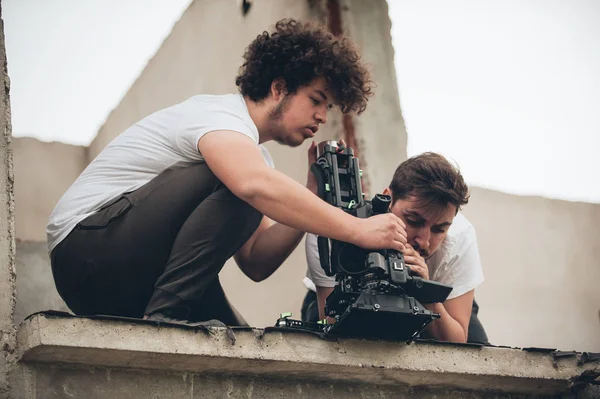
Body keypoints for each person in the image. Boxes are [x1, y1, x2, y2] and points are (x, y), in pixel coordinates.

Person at [47, 19, 409, 327]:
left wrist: (311, 193)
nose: (322, 117)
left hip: (131, 278)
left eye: (328, 107)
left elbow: (255, 260)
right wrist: (359, 229)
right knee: (245, 189)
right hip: (86, 253)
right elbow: (251, 186)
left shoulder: (253, 160)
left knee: (248, 344)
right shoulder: (220, 117)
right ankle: (165, 320)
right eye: (316, 99)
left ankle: (166, 316)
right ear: (278, 87)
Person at [302, 152, 490, 344]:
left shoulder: (460, 235)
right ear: (388, 199)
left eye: (439, 229)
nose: (424, 242)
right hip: (340, 297)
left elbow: (457, 342)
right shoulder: (332, 233)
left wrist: (424, 292)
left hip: (438, 302)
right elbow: (333, 329)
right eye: (413, 221)